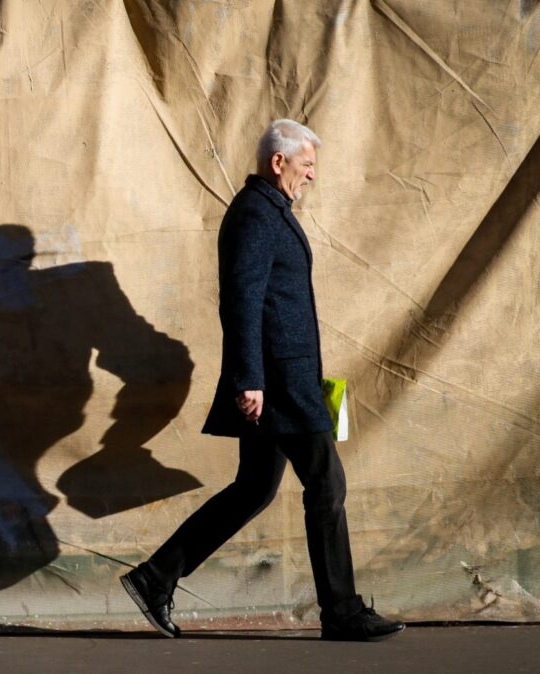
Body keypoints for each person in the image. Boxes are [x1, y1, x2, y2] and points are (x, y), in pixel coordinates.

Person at [121, 119, 405, 641]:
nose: (312, 176)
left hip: (284, 376)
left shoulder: (271, 212)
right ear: (279, 162)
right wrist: (249, 378)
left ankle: (156, 577)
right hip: (278, 380)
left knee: (254, 487)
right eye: (307, 165)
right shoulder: (256, 214)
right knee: (326, 483)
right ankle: (341, 612)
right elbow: (242, 300)